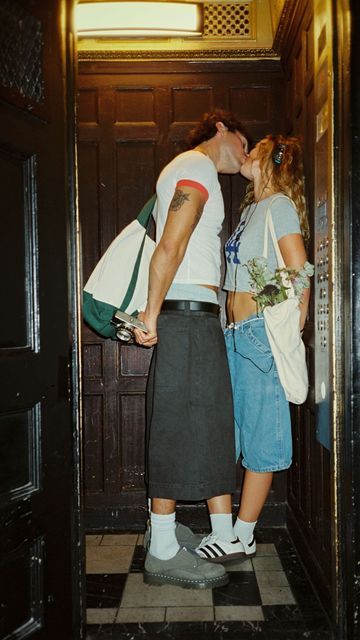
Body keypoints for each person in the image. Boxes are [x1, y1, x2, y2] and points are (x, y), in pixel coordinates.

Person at [134, 109, 249, 589]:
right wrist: (152, 313)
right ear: (221, 128)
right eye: (244, 143)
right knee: (178, 425)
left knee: (203, 421)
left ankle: (199, 532)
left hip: (194, 317)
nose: (245, 154)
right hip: (182, 315)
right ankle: (162, 549)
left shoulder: (197, 169)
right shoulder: (195, 165)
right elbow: (172, 244)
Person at [196, 135, 310, 561]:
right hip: (235, 335)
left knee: (261, 438)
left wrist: (280, 317)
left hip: (257, 335)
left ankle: (243, 534)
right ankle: (233, 533)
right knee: (232, 435)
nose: (247, 151)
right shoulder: (251, 210)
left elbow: (299, 270)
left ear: (269, 159)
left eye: (256, 146)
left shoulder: (278, 205)